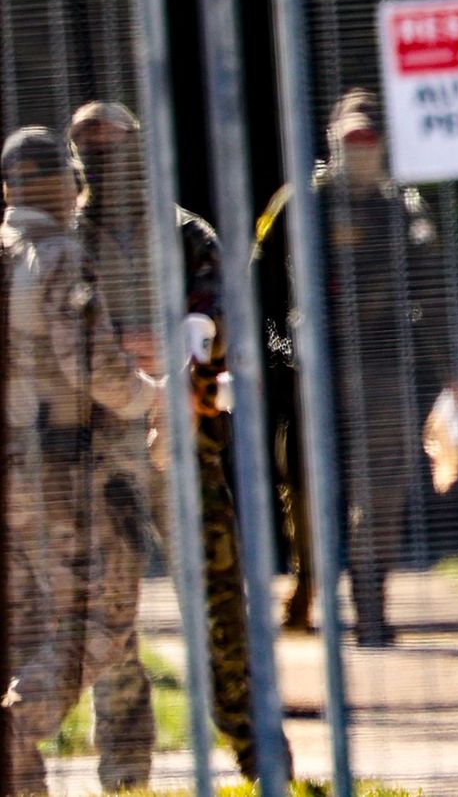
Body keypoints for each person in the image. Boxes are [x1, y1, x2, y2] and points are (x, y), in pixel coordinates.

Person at [67, 100, 292, 781]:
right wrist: (110, 353)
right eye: (90, 150)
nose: (104, 162)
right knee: (112, 619)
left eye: (115, 148)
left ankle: (260, 755)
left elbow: (221, 311)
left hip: (181, 443)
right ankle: (127, 774)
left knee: (219, 594)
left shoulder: (183, 233)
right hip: (96, 453)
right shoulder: (64, 240)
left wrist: (181, 345)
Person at [255, 88, 456, 647]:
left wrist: (453, 369)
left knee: (382, 491)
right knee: (306, 485)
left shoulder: (402, 207)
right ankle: (307, 585)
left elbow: (432, 292)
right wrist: (276, 353)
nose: (360, 150)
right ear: (331, 142)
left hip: (383, 362)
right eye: (350, 140)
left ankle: (370, 607)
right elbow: (260, 285)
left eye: (368, 140)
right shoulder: (299, 202)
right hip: (309, 366)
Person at [2, 126, 161, 795]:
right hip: (58, 474)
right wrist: (157, 399)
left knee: (22, 634)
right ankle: (16, 726)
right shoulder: (60, 256)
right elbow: (92, 365)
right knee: (101, 623)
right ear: (66, 184)